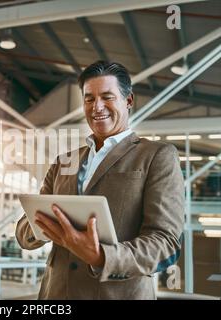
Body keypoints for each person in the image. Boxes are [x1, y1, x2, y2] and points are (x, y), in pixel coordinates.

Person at [15, 61, 184, 300]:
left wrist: (101, 256)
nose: (97, 107)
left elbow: (165, 244)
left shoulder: (157, 156)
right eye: (89, 99)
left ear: (128, 100)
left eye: (107, 97)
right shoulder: (64, 162)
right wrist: (41, 228)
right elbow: (24, 230)